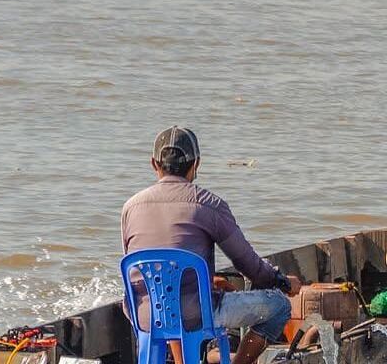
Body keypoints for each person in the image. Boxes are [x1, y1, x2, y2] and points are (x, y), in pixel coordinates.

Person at [122, 127, 300, 364]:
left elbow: (149, 266)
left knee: (173, 297)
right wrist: (282, 281)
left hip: (144, 315)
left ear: (154, 164)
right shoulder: (208, 204)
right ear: (196, 164)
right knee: (279, 306)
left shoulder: (130, 208)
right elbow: (249, 265)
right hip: (195, 314)